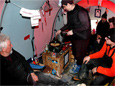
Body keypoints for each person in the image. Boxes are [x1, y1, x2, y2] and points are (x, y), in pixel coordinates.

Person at [0, 33, 65, 85]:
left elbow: (23, 60)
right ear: (3, 49)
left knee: (48, 78)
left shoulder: (12, 52)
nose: (12, 46)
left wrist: (31, 73)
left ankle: (65, 84)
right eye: (9, 45)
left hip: (28, 76)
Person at [56, 0, 91, 73]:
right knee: (75, 51)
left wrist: (73, 31)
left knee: (80, 53)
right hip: (75, 35)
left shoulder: (81, 11)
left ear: (68, 4)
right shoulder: (69, 12)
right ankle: (78, 62)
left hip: (83, 36)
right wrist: (60, 30)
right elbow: (69, 24)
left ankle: (79, 67)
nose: (64, 9)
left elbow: (86, 26)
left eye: (64, 6)